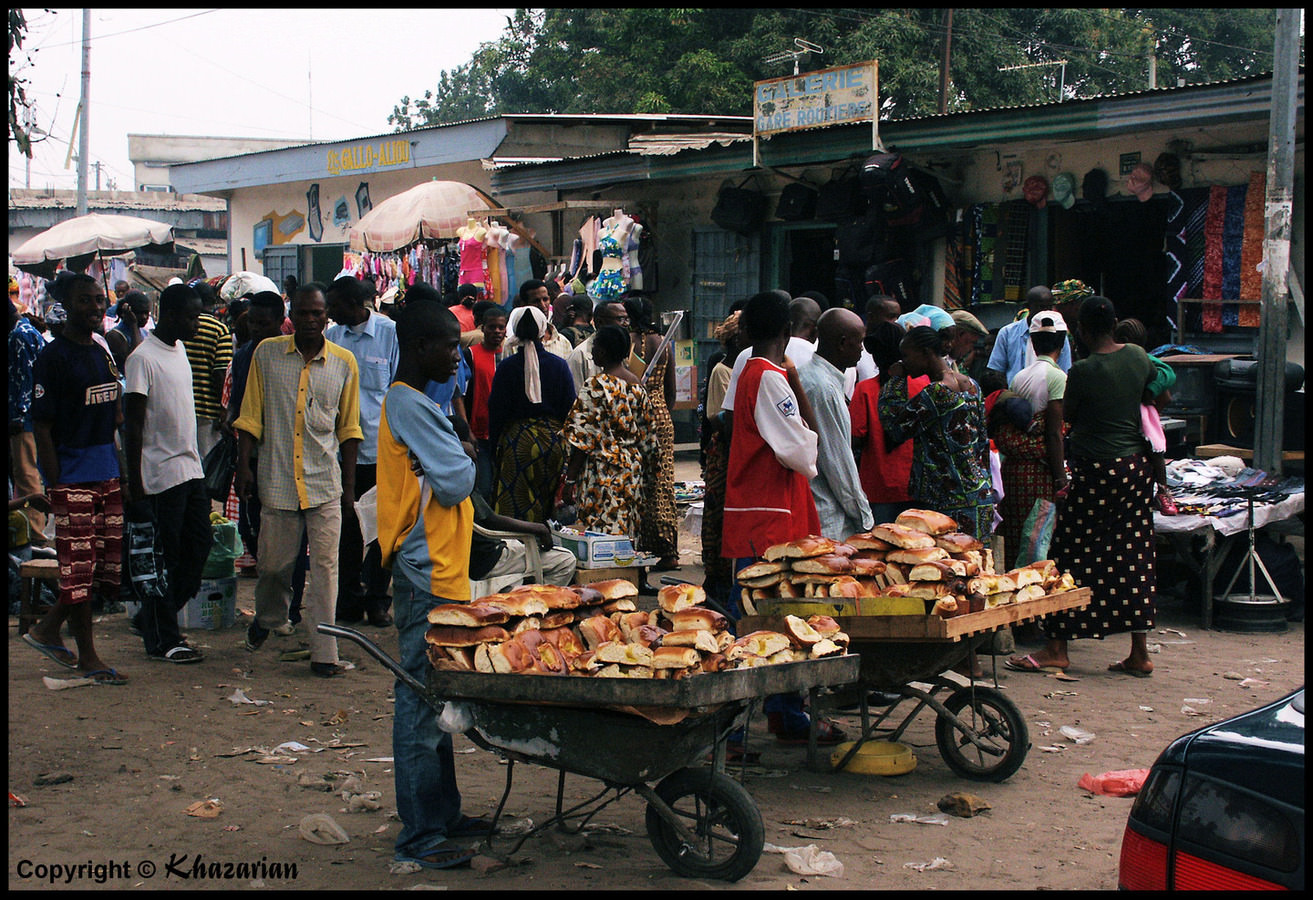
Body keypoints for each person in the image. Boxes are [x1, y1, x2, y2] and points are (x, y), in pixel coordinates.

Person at [375, 300, 490, 870]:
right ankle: (420, 834)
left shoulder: (417, 403)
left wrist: (459, 455)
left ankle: (443, 815)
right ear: (420, 348)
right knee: (421, 703)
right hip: (426, 569)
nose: (457, 354)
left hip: (439, 564)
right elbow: (455, 479)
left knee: (436, 696)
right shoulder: (410, 404)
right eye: (449, 345)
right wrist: (464, 454)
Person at [1006, 296, 1158, 678]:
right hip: (1134, 469)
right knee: (1133, 553)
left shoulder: (1084, 372)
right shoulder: (1139, 357)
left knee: (1070, 554)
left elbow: (1069, 417)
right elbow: (1152, 394)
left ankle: (1057, 647)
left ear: (1083, 332)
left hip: (1095, 470)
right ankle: (1140, 652)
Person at [721, 289, 843, 746]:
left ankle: (781, 712)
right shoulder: (771, 378)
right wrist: (805, 409)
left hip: (762, 512)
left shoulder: (750, 374)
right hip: (769, 518)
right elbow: (800, 450)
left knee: (766, 615)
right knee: (764, 618)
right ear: (789, 333)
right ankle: (736, 727)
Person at [235, 283, 363, 678]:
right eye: (304, 313)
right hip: (278, 481)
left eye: (318, 314)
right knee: (274, 566)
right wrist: (243, 467)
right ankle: (268, 618)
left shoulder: (344, 363)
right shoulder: (267, 355)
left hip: (325, 483)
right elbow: (250, 417)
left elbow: (349, 429)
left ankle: (325, 652)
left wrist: (350, 489)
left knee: (326, 569)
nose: (311, 320)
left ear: (327, 316)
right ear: (293, 315)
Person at [23, 273, 127, 684]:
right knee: (78, 570)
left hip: (107, 472)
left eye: (100, 300)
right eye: (86, 301)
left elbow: (113, 414)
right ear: (68, 304)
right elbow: (43, 428)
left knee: (99, 568)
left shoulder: (102, 351)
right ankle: (87, 656)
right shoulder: (53, 358)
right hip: (74, 476)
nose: (96, 308)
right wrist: (54, 483)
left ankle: (48, 629)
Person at [123, 283, 211, 664]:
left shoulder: (180, 352)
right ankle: (164, 638)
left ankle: (155, 619)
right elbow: (133, 426)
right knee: (164, 558)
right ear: (172, 315)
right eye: (192, 317)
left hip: (189, 468)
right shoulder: (142, 359)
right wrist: (135, 484)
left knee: (199, 546)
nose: (197, 324)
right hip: (159, 475)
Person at [326, 275, 400, 628]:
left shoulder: (389, 333)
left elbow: (398, 389)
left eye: (335, 305)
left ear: (355, 304)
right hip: (339, 454)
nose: (329, 311)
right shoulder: (331, 337)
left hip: (380, 450)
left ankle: (377, 599)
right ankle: (350, 600)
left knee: (383, 531)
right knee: (347, 534)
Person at [880, 326, 993, 543]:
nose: (904, 362)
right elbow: (981, 441)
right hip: (978, 493)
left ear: (926, 353)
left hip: (945, 500)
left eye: (906, 355)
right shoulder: (972, 386)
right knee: (976, 566)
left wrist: (896, 380)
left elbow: (895, 427)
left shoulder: (936, 393)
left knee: (948, 568)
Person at [560, 324, 661, 539]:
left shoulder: (596, 387)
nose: (592, 351)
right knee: (627, 531)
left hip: (601, 473)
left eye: (595, 347)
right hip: (631, 470)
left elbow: (581, 440)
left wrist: (570, 480)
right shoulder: (638, 387)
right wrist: (649, 477)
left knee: (600, 535)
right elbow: (650, 439)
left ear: (603, 352)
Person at [995, 310, 1071, 570]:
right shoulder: (1058, 377)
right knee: (1038, 535)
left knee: (1018, 533)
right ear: (1062, 342)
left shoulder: (1019, 377)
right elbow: (1053, 432)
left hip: (1014, 472)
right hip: (1039, 474)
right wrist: (1060, 477)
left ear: (1033, 342)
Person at [487, 305, 576, 523]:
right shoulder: (559, 366)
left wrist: (493, 449)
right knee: (549, 505)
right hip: (554, 443)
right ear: (542, 328)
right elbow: (570, 410)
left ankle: (524, 548)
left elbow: (497, 410)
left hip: (518, 445)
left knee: (516, 505)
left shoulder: (507, 367)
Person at [223, 292, 288, 581]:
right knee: (253, 522)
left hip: (285, 453)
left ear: (279, 322)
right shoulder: (243, 356)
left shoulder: (291, 354)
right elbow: (237, 406)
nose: (256, 329)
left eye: (263, 324)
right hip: (254, 452)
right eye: (252, 323)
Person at [796, 308, 874, 540]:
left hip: (814, 507)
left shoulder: (807, 376)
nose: (862, 349)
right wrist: (865, 520)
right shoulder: (823, 389)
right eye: (859, 342)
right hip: (827, 515)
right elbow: (838, 462)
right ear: (842, 343)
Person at [849, 321, 929, 525]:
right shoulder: (925, 384)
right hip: (918, 484)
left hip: (878, 486)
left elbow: (856, 436)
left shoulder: (865, 389)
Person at [625, 295, 679, 570]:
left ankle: (642, 547)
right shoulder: (664, 343)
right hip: (661, 414)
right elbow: (671, 390)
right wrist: (663, 412)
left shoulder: (630, 341)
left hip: (636, 414)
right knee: (663, 483)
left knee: (639, 484)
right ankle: (668, 548)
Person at [1113, 317, 1179, 516]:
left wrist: (1150, 395)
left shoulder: (1143, 361)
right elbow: (1167, 394)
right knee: (1156, 455)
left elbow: (1168, 375)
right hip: (1139, 422)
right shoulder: (1130, 360)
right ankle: (1163, 491)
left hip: (1133, 421)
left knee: (1156, 454)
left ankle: (1163, 491)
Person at [700, 311, 742, 602]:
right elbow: (719, 419)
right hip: (725, 454)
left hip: (734, 451)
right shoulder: (722, 371)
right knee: (719, 518)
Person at [9, 299, 49, 546]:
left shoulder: (18, 336)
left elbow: (24, 378)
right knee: (29, 472)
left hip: (24, 417)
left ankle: (36, 535)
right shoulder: (27, 331)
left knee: (27, 474)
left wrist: (17, 415)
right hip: (31, 415)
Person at [183, 283, 233, 460]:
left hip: (184, 407)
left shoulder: (182, 326)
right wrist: (224, 408)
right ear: (212, 301)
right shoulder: (219, 329)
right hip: (208, 410)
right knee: (207, 463)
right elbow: (221, 374)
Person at [986, 285, 1073, 385]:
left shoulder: (1059, 335)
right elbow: (997, 371)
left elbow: (1064, 370)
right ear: (1028, 306)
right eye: (1041, 307)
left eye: (1049, 307)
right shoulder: (1007, 333)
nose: (1045, 312)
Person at [463, 304, 506, 500]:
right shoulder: (470, 354)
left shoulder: (509, 355)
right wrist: (467, 430)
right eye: (492, 327)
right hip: (478, 431)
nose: (497, 331)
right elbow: (462, 394)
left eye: (500, 327)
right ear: (483, 328)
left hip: (503, 432)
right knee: (483, 485)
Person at [565, 299, 629, 391]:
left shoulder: (623, 352)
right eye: (620, 319)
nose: (625, 324)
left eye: (627, 319)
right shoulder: (580, 355)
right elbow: (576, 395)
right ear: (600, 322)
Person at [513, 279, 572, 359]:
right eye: (536, 301)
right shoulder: (513, 345)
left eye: (545, 299)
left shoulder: (563, 342)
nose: (543, 306)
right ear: (524, 304)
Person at [105, 290, 151, 370]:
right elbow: (137, 361)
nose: (144, 317)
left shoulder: (144, 332)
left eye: (146, 313)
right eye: (139, 313)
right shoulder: (115, 335)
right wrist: (133, 324)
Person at [947, 309, 989, 377]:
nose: (970, 349)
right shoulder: (938, 364)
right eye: (972, 342)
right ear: (961, 334)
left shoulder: (951, 363)